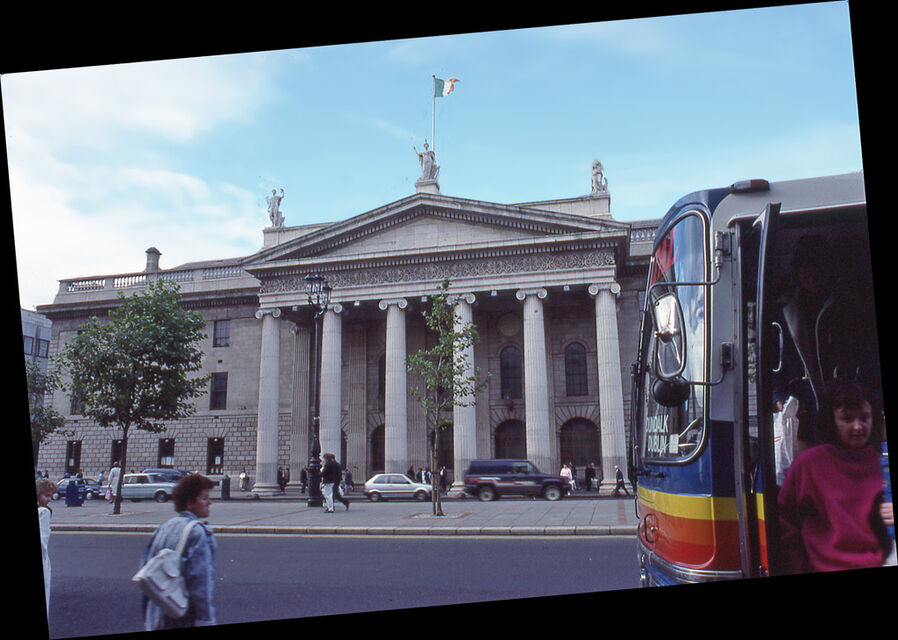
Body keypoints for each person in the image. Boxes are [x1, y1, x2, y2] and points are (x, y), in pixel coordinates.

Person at [777, 379, 894, 574]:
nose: (858, 426)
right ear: (832, 421)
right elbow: (784, 524)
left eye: (864, 417)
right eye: (847, 419)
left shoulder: (879, 464)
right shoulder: (809, 465)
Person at [139, 474, 218, 629]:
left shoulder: (164, 528)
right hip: (183, 615)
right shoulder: (198, 533)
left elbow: (146, 574)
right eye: (204, 498)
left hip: (157, 614)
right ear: (190, 503)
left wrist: (147, 617)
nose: (209, 502)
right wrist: (206, 620)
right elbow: (200, 585)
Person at [37, 477, 56, 618]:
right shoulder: (44, 512)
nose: (49, 499)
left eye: (51, 496)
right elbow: (43, 541)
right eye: (46, 495)